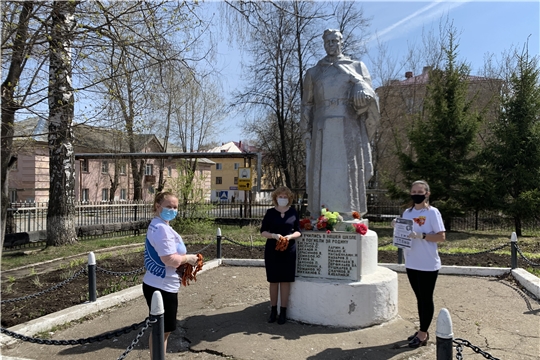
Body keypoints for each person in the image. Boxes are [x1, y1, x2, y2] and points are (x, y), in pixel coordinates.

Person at [301, 29, 380, 218]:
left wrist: (363, 92)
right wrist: (305, 129)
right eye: (327, 41)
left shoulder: (357, 67)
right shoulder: (314, 72)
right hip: (322, 126)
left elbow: (370, 96)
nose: (331, 45)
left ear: (341, 42)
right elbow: (307, 104)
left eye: (335, 41)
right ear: (323, 44)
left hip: (349, 125)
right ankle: (321, 216)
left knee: (350, 171)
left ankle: (349, 214)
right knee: (321, 172)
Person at [142, 191, 198, 357]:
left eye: (175, 207)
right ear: (157, 206)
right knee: (163, 331)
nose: (173, 210)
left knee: (162, 330)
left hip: (158, 284)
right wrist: (189, 258)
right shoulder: (161, 229)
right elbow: (170, 260)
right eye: (169, 206)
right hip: (162, 287)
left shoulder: (159, 224)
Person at [393, 180, 446, 348]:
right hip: (412, 262)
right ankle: (422, 330)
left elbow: (441, 236)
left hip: (428, 263)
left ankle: (423, 333)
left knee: (426, 298)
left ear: (427, 194)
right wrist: (396, 225)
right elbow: (403, 233)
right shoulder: (407, 213)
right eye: (413, 191)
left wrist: (421, 236)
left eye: (420, 191)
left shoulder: (432, 213)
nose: (416, 194)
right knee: (419, 298)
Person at [260, 186, 302, 325]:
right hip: (273, 249)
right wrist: (273, 235)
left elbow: (298, 231)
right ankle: (273, 311)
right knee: (273, 281)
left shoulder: (293, 212)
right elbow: (263, 231)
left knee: (285, 281)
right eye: (280, 196)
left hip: (289, 249)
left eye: (285, 197)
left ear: (289, 198)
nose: (282, 199)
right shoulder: (270, 212)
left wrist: (290, 237)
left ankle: (283, 312)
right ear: (275, 198)